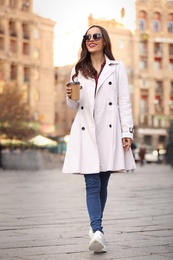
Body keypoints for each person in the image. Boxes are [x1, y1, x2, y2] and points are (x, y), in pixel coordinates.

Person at [62, 25, 136, 253]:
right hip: (86, 131)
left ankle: (96, 229)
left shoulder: (117, 67)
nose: (91, 39)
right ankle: (97, 230)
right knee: (92, 183)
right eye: (87, 36)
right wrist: (70, 97)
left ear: (105, 41)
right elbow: (74, 106)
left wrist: (127, 132)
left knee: (103, 182)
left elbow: (124, 101)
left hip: (110, 131)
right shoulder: (77, 68)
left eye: (96, 36)